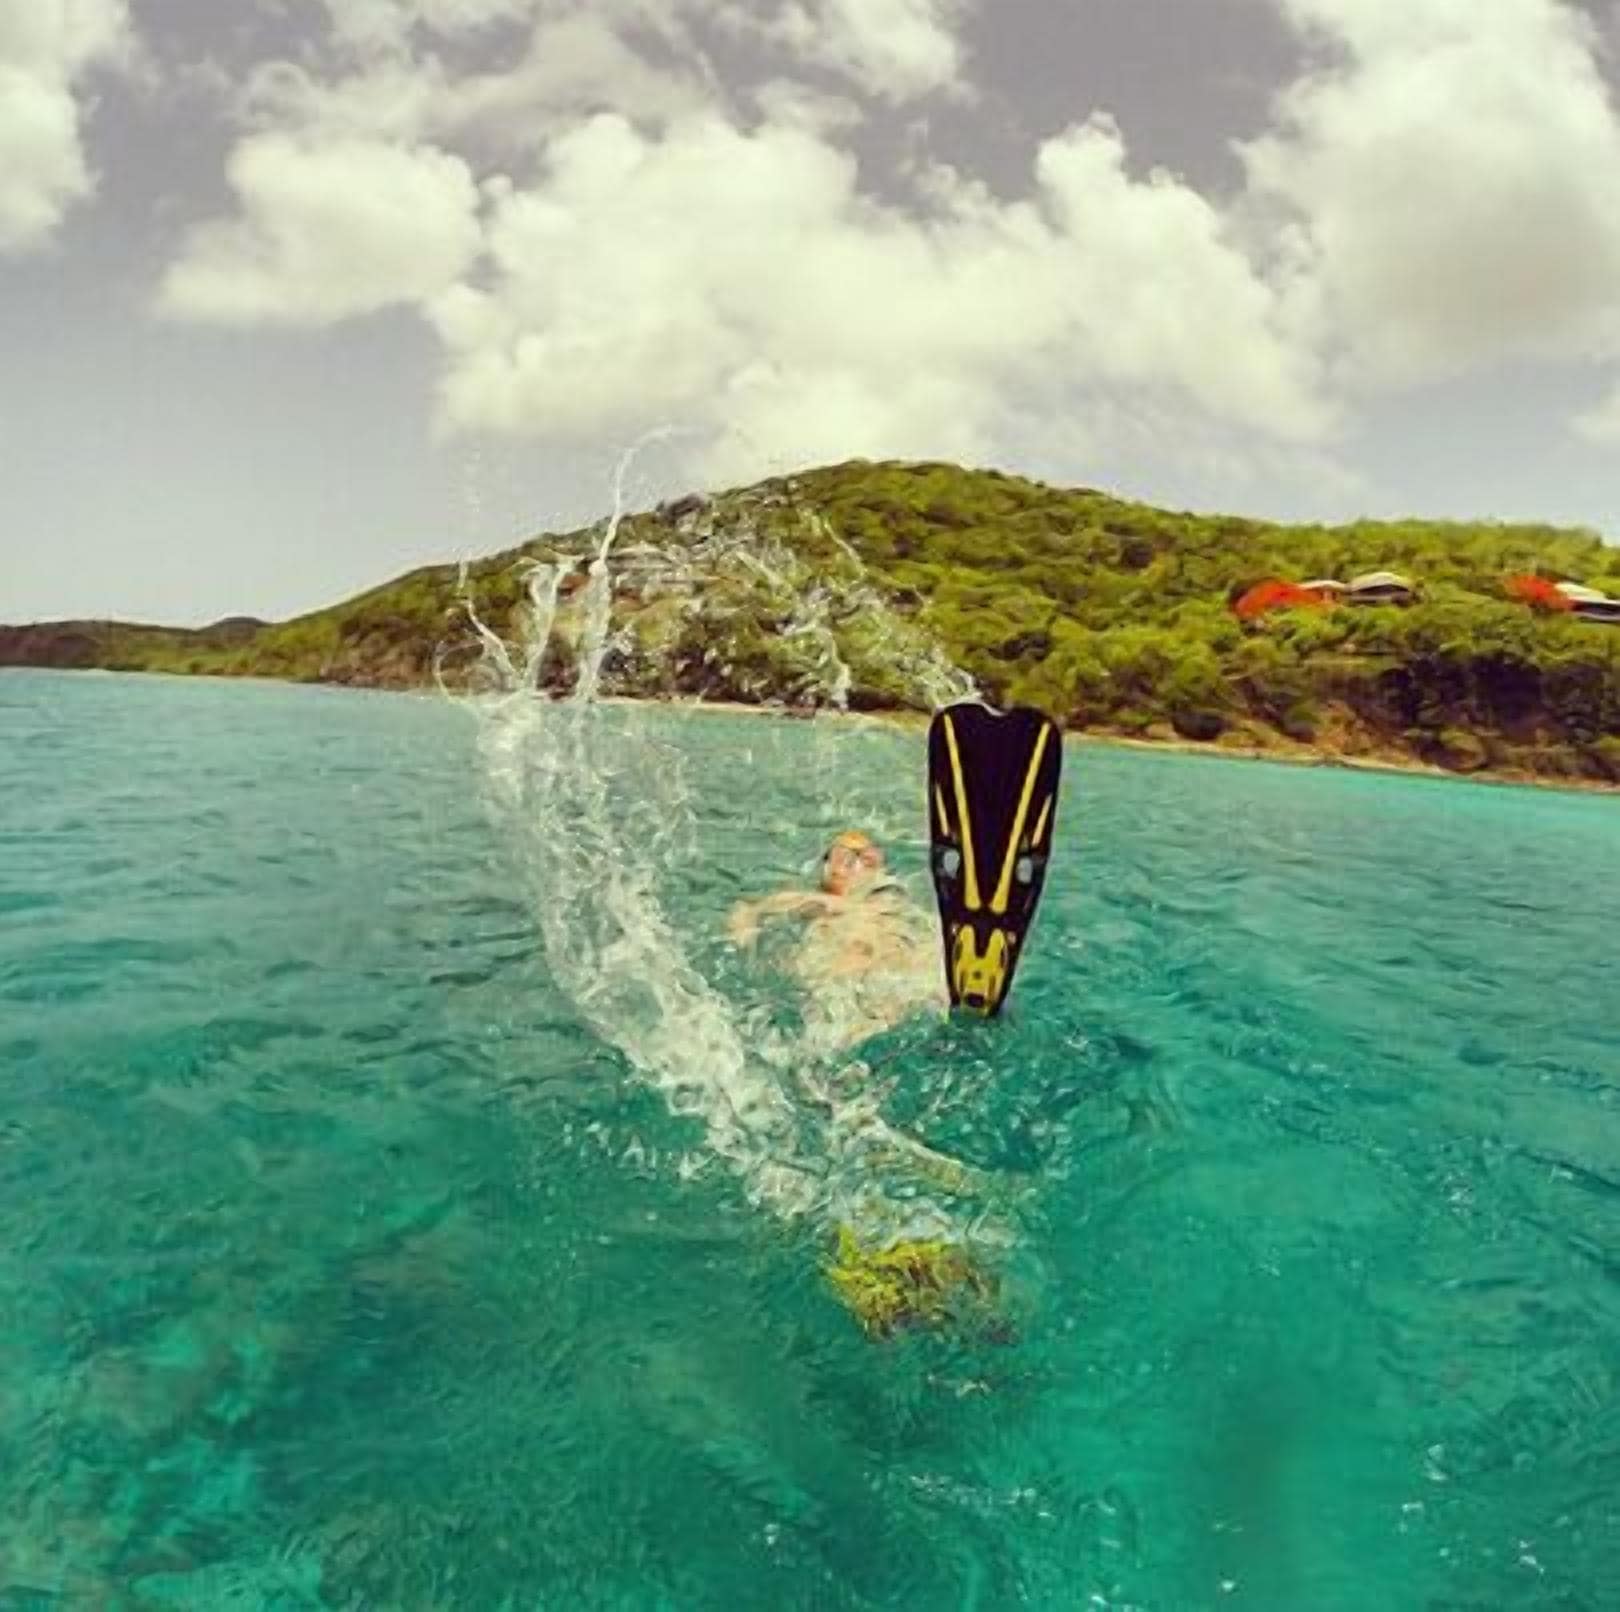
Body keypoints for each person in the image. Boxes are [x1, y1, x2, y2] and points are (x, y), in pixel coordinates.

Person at [727, 830, 944, 1043]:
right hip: (852, 980)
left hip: (894, 973)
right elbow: (751, 908)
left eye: (867, 858)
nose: (857, 862)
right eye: (847, 856)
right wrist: (745, 926)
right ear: (830, 867)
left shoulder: (888, 900)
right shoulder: (822, 902)